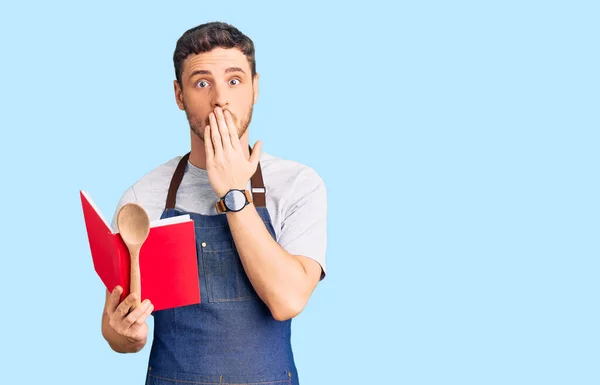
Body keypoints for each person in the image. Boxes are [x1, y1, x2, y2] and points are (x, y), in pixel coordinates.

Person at [100, 21, 327, 385]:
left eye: (234, 81)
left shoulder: (298, 185)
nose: (220, 98)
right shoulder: (143, 199)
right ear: (179, 95)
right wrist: (125, 334)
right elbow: (114, 328)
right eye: (202, 82)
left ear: (255, 88)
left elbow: (287, 300)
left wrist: (234, 194)